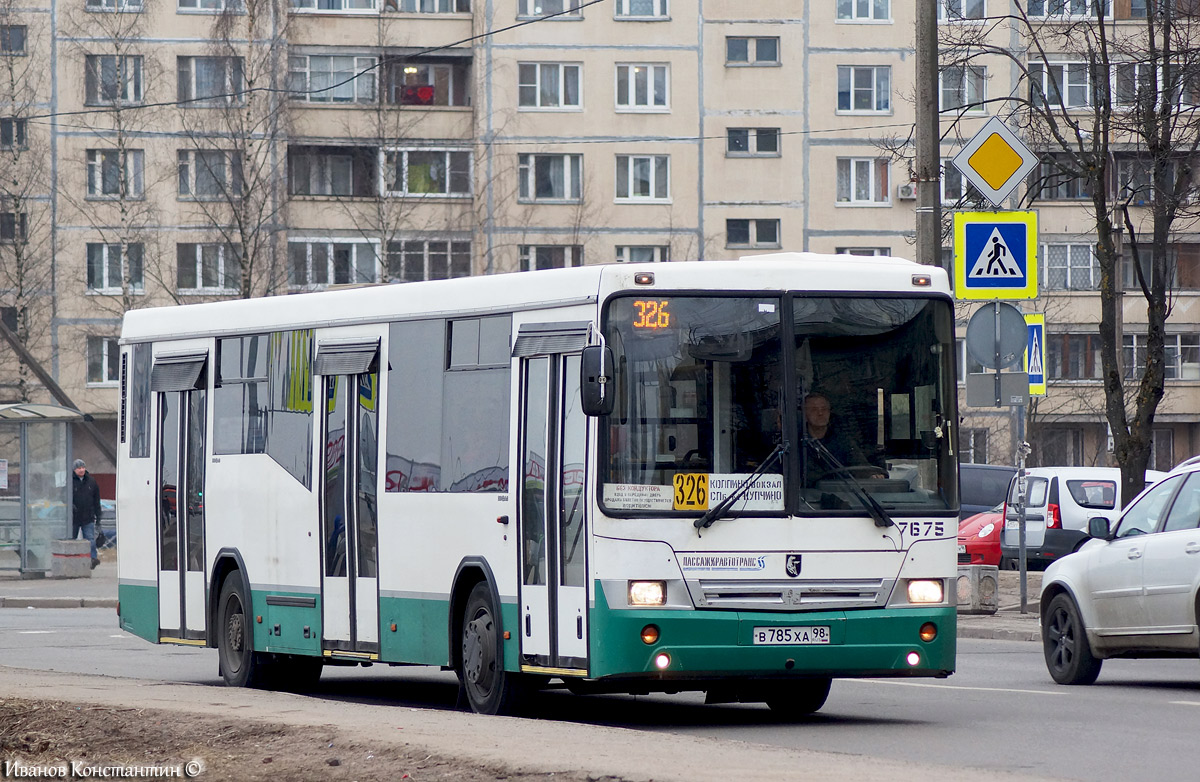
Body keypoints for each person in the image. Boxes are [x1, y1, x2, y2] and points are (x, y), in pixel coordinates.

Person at [801, 392, 885, 483]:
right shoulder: (798, 442)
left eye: (824, 409)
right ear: (804, 415)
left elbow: (858, 463)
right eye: (814, 410)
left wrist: (871, 475)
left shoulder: (841, 440)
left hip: (843, 493)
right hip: (809, 494)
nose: (820, 413)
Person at [72, 458, 102, 570]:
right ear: (74, 470)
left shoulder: (91, 482)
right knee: (71, 539)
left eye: (83, 467)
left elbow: (96, 500)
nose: (81, 470)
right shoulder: (70, 481)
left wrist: (98, 516)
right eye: (79, 468)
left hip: (88, 517)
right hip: (73, 518)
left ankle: (93, 559)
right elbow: (63, 496)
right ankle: (72, 559)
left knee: (90, 540)